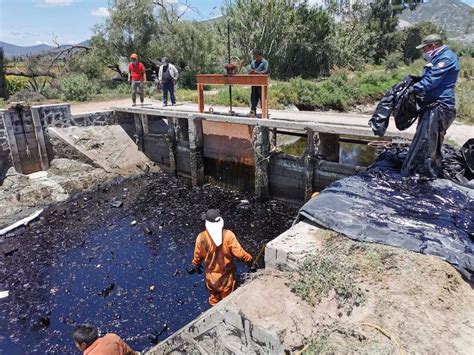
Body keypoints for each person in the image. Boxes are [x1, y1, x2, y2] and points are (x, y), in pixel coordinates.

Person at [402, 34, 460, 178]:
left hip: (441, 106)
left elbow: (432, 81)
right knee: (425, 141)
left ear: (433, 46)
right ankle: (418, 171)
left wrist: (412, 89)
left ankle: (425, 176)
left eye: (425, 48)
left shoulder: (446, 58)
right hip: (432, 105)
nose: (423, 52)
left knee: (429, 143)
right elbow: (427, 78)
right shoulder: (437, 58)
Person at [189, 209, 253, 306]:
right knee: (226, 301)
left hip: (211, 278)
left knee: (214, 297)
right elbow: (240, 254)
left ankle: (213, 310)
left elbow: (197, 255)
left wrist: (196, 264)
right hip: (226, 278)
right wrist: (249, 259)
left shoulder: (201, 238)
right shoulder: (228, 235)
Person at [72, 324, 137, 355]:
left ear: (83, 344)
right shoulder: (112, 337)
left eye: (76, 343)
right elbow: (131, 353)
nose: (76, 345)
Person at [248, 49, 269, 117]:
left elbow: (266, 71)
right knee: (253, 97)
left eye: (257, 56)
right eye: (255, 56)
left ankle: (265, 112)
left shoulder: (265, 62)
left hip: (262, 83)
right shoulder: (253, 62)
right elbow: (250, 70)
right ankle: (253, 111)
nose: (256, 57)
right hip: (254, 82)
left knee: (262, 97)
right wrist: (250, 72)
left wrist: (256, 72)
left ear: (261, 56)